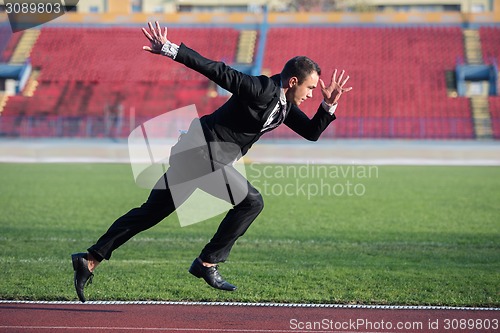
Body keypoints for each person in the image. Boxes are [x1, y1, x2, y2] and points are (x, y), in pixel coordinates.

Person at [71, 21, 352, 302]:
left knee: (150, 213)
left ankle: (90, 260)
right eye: (311, 87)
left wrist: (329, 105)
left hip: (199, 156)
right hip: (200, 153)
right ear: (293, 82)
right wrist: (171, 50)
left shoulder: (285, 106)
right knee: (251, 201)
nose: (312, 93)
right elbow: (219, 71)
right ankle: (207, 263)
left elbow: (312, 132)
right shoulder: (261, 89)